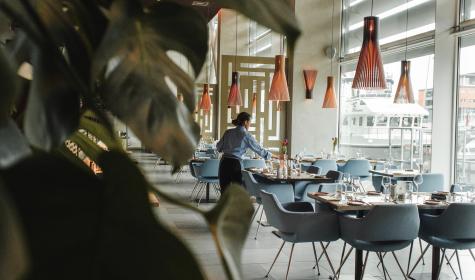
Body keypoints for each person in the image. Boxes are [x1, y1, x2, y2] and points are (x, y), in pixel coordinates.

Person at [216, 112, 275, 193]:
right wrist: (272, 156)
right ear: (245, 122)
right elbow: (258, 149)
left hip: (224, 162)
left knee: (224, 191)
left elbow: (218, 147)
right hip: (235, 164)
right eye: (250, 122)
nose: (250, 125)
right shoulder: (246, 135)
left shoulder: (228, 132)